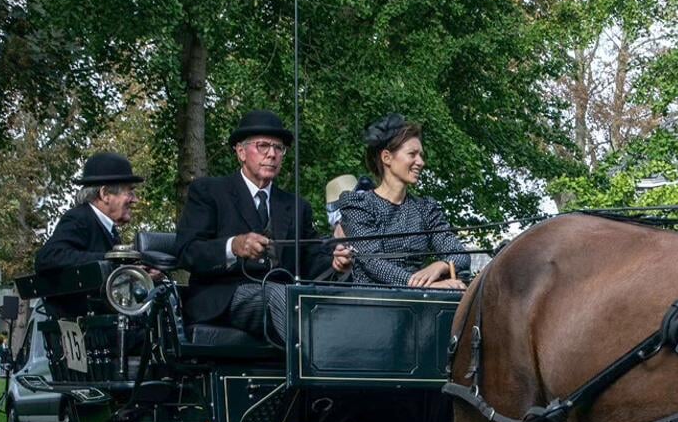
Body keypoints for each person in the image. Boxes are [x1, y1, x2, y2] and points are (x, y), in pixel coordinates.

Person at [173, 109, 351, 343]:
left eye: (278, 148)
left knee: (326, 294)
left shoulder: (296, 206)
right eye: (263, 146)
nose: (272, 154)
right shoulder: (209, 191)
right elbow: (187, 252)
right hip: (224, 298)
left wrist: (336, 261)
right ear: (240, 152)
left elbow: (310, 258)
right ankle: (322, 366)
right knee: (281, 296)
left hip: (281, 298)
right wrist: (233, 246)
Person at [337, 115, 468, 289]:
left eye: (421, 155)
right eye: (412, 154)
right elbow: (374, 263)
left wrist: (441, 265)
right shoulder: (358, 205)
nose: (420, 162)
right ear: (387, 157)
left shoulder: (425, 209)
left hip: (418, 306)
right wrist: (426, 286)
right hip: (371, 304)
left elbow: (460, 254)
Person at [37, 152, 144, 271]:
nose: (135, 200)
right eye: (129, 192)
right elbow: (48, 258)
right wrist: (111, 258)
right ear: (105, 194)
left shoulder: (110, 230)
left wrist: (140, 271)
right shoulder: (79, 218)